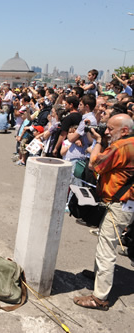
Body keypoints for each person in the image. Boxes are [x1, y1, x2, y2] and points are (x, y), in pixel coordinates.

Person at [74, 114, 134, 311]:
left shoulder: (121, 146)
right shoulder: (130, 142)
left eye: (110, 129)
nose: (107, 132)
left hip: (119, 203)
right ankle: (100, 274)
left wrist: (99, 142)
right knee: (104, 240)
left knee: (106, 248)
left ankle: (99, 298)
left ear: (124, 130)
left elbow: (94, 164)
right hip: (125, 203)